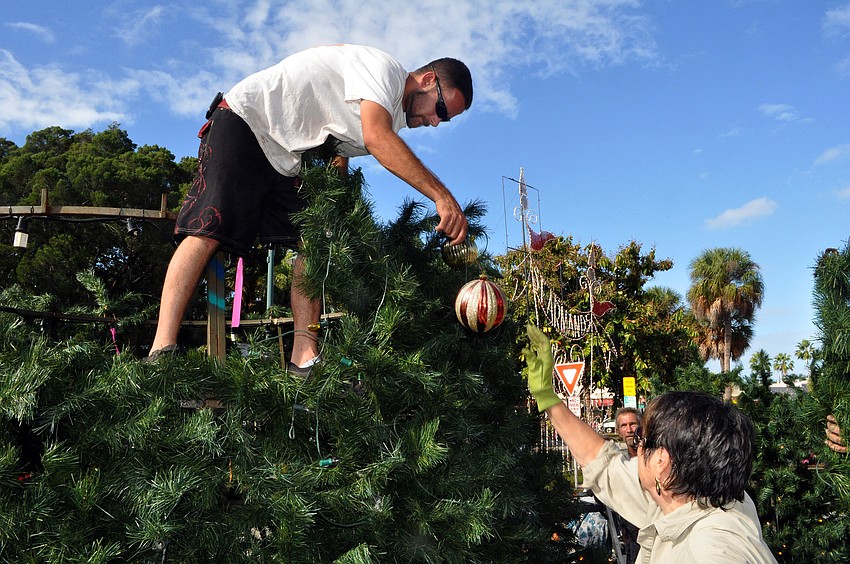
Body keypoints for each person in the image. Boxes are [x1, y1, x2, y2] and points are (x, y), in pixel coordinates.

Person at [147, 44, 473, 371]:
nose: (434, 122)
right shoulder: (385, 71)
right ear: (429, 79)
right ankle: (162, 348)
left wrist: (333, 203)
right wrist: (441, 196)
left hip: (286, 159)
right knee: (208, 228)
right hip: (247, 121)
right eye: (441, 111)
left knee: (315, 242)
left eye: (443, 121)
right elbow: (377, 137)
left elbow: (336, 147)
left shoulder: (392, 115)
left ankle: (303, 357)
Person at [523, 324, 777, 563]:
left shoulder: (711, 546)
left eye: (644, 439)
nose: (638, 445)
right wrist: (547, 397)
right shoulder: (680, 497)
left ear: (661, 460)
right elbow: (599, 459)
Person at [612, 406, 642, 563]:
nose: (629, 430)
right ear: (618, 431)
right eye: (624, 426)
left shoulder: (654, 454)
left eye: (633, 424)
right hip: (631, 528)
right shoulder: (620, 462)